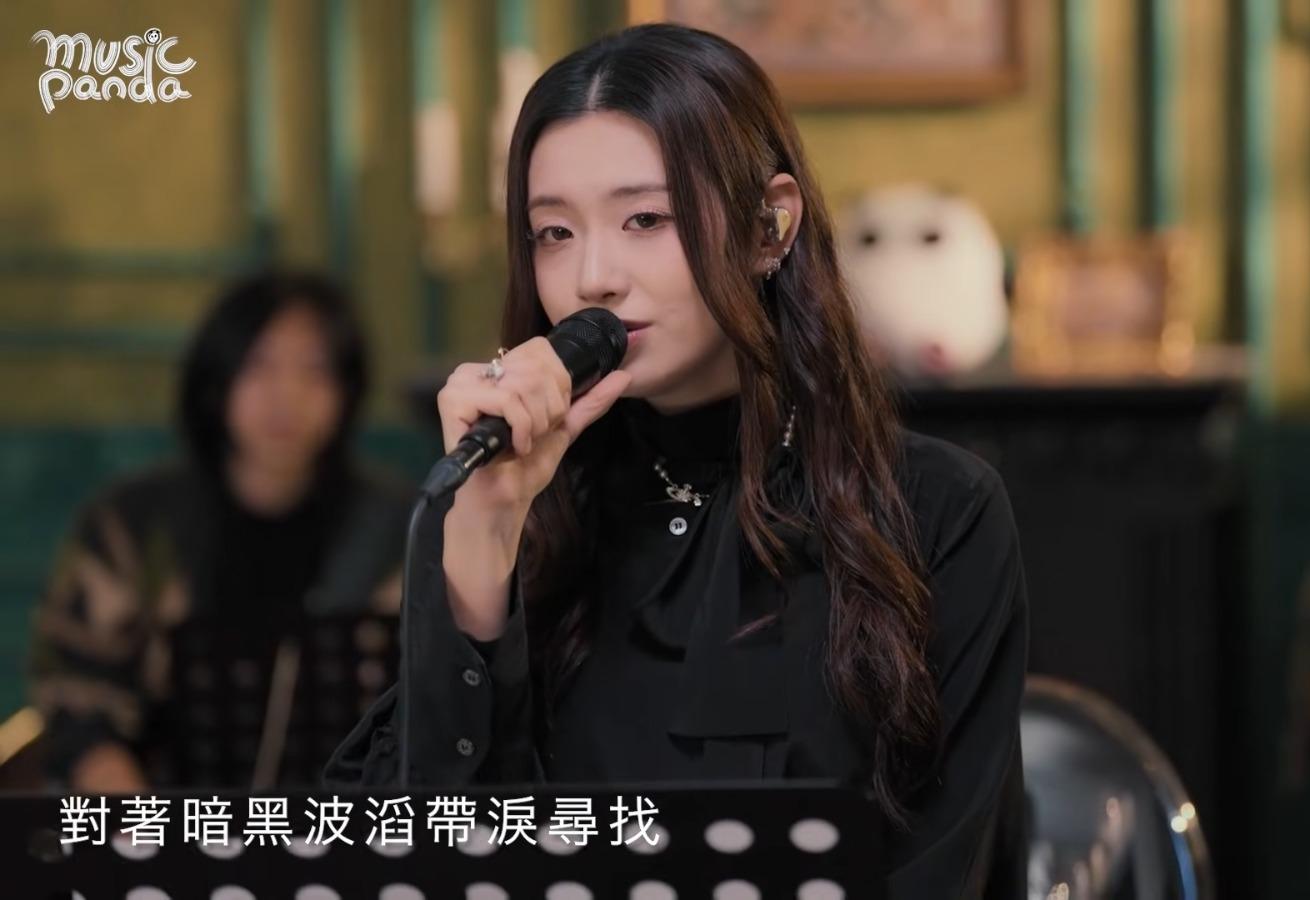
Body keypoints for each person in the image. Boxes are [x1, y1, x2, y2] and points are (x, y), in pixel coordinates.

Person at [325, 24, 1029, 897]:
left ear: (769, 226)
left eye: (645, 219)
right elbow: (404, 852)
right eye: (553, 232)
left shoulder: (937, 508)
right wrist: (480, 544)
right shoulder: (531, 504)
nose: (593, 277)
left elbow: (945, 867)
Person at [27, 270, 412, 793]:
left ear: (347, 390)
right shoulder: (134, 524)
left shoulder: (400, 529)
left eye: (315, 369)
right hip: (163, 823)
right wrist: (133, 812)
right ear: (216, 380)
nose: (287, 395)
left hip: (354, 829)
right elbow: (77, 693)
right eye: (259, 365)